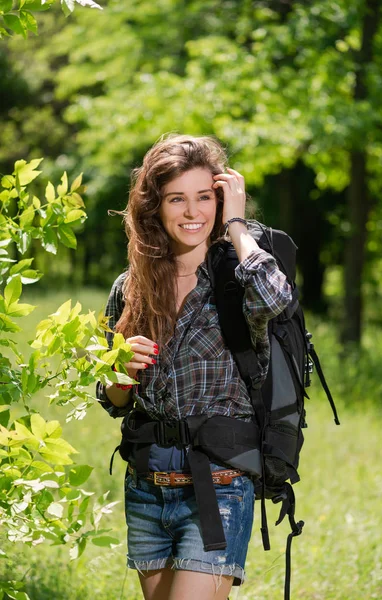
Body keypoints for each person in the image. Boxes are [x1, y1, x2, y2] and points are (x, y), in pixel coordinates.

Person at [96, 134, 292, 600]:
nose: (192, 212)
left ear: (220, 200)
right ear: (154, 208)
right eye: (176, 199)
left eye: (205, 197)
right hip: (146, 488)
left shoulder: (235, 278)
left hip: (220, 486)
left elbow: (276, 298)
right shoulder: (131, 287)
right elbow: (113, 401)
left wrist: (238, 223)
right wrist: (121, 373)